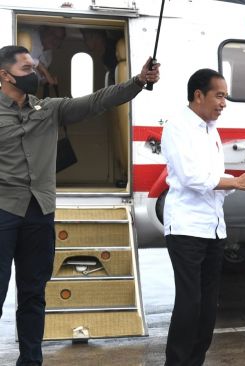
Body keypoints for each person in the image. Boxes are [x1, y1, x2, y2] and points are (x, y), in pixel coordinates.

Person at [0, 45, 159, 366]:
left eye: (34, 67)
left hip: (39, 214)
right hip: (3, 212)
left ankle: (31, 360)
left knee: (33, 295)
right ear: (5, 75)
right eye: (26, 69)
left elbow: (98, 101)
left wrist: (138, 81)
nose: (34, 74)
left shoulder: (49, 109)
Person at [160, 68, 245, 365]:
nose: (223, 103)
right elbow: (192, 177)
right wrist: (235, 182)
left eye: (225, 97)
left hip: (213, 228)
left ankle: (195, 360)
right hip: (186, 228)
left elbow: (214, 178)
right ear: (198, 95)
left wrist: (241, 180)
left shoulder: (211, 130)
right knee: (190, 302)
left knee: (208, 306)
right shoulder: (178, 127)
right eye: (219, 95)